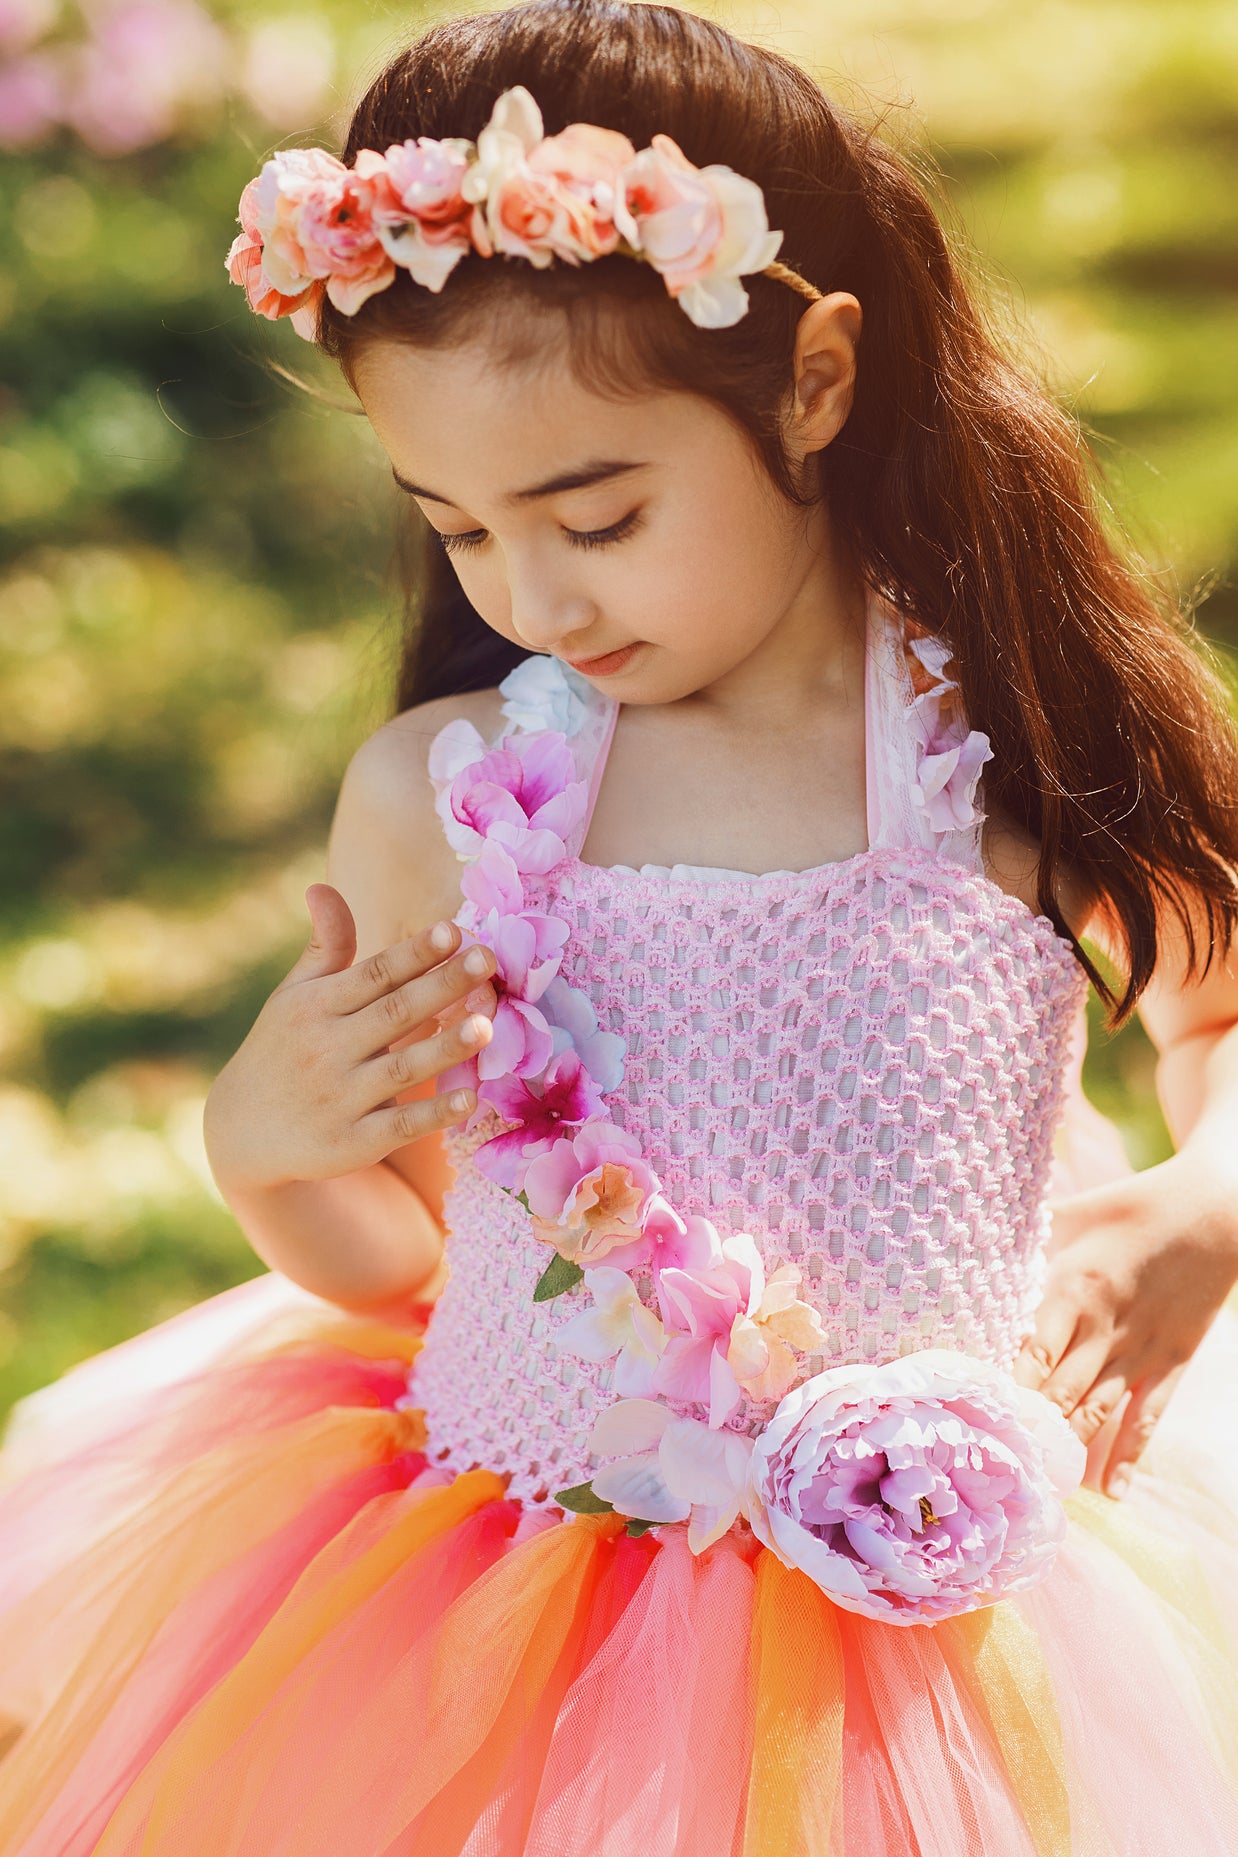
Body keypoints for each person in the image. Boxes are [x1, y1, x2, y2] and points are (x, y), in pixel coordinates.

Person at [2, 1, 1238, 1849]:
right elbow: (414, 1254)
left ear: (814, 381)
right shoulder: (450, 788)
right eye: (461, 526)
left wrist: (1194, 1207)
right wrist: (265, 1150)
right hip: (510, 1585)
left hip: (947, 1632)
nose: (528, 594)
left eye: (595, 510)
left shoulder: (1013, 758)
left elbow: (1217, 1009)